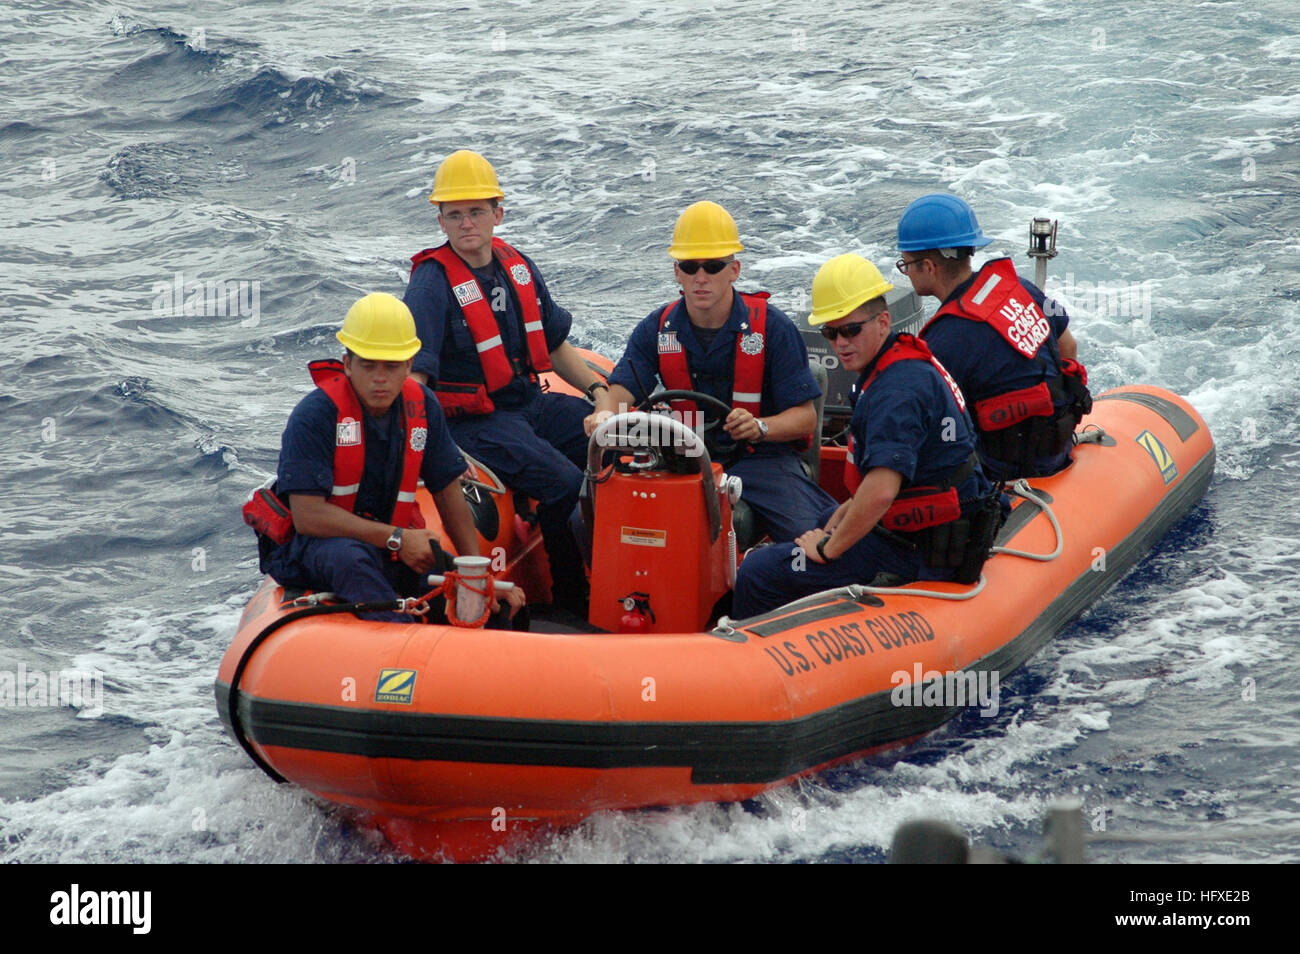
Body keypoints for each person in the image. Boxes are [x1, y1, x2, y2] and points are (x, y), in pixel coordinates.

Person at [732, 254, 1001, 618]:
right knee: (821, 519)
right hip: (929, 529)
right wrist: (843, 515)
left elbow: (881, 494)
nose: (840, 343)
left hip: (913, 550)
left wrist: (827, 551)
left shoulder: (895, 392)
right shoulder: (899, 362)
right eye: (831, 333)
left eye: (851, 330)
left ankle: (751, 657)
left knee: (757, 571)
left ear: (883, 321)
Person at [403, 149, 605, 616]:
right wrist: (422, 450)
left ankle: (624, 563)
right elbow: (415, 381)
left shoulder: (517, 265)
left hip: (529, 403)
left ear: (498, 212)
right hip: (474, 423)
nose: (466, 223)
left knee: (613, 448)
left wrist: (598, 394)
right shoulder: (431, 284)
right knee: (563, 482)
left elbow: (553, 346)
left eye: (476, 211)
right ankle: (573, 598)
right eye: (454, 214)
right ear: (441, 222)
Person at [256, 292, 524, 624]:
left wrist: (473, 571)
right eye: (368, 365)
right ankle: (401, 639)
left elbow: (446, 487)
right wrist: (397, 539)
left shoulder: (423, 405)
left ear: (410, 365)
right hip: (323, 547)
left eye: (392, 366)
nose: (380, 377)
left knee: (485, 605)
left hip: (389, 543)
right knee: (350, 559)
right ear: (348, 364)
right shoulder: (315, 416)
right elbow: (308, 517)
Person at [584, 200, 834, 543]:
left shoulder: (773, 328)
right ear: (677, 273)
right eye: (689, 266)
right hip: (680, 458)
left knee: (810, 537)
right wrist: (602, 415)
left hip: (759, 459)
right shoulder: (656, 329)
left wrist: (759, 427)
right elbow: (620, 390)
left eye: (713, 266)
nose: (701, 278)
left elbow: (805, 418)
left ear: (734, 270)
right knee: (585, 518)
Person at [895, 193, 1091, 481]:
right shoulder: (1016, 287)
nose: (906, 273)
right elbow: (1068, 346)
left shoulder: (946, 337)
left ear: (928, 266)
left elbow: (929, 425)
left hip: (1004, 471)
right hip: (1055, 449)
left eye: (906, 264)